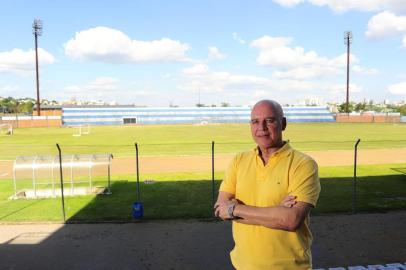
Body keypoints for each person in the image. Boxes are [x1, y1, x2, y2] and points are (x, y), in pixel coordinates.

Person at [214, 100, 320, 270]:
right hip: (242, 265)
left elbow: (291, 220)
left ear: (283, 124)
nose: (261, 128)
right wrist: (276, 212)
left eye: (269, 121)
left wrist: (235, 209)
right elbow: (220, 209)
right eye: (255, 121)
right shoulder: (239, 161)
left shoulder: (303, 164)